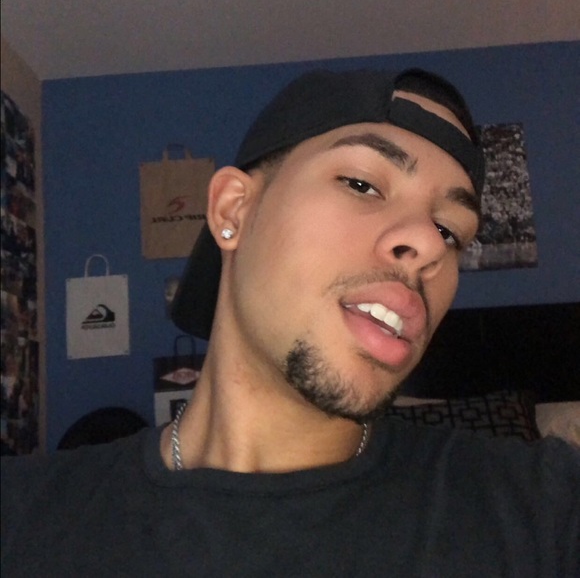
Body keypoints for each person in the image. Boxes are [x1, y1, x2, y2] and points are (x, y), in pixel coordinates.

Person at [2, 68, 578, 577]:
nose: (429, 244)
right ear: (234, 209)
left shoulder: (540, 510)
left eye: (450, 232)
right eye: (362, 184)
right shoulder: (24, 518)